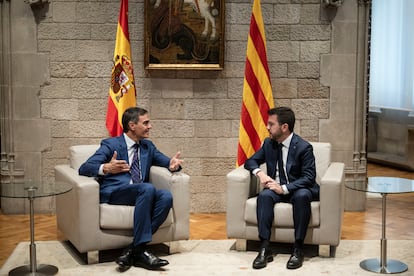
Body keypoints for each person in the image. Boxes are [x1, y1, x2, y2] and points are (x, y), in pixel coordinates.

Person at [78, 107, 183, 271]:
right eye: (146, 123)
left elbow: (167, 162)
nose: (150, 126)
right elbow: (85, 167)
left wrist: (173, 165)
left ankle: (134, 250)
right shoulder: (111, 144)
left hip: (141, 192)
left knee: (166, 197)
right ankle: (140, 252)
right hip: (116, 192)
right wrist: (106, 167)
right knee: (147, 188)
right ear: (132, 125)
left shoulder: (148, 147)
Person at [244, 107, 319, 270]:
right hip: (275, 187)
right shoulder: (269, 144)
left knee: (302, 196)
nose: (267, 127)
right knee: (264, 196)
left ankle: (298, 249)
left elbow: (308, 177)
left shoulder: (303, 147)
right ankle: (264, 248)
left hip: (297, 188)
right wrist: (260, 174)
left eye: (271, 124)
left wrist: (284, 188)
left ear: (284, 127)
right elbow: (249, 162)